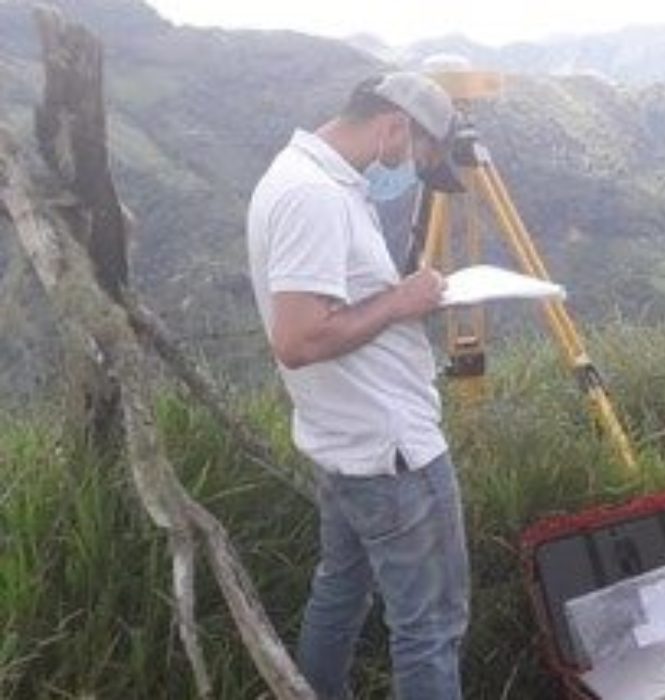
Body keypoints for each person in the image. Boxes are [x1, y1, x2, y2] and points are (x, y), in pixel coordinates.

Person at [246, 72, 469, 700]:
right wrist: (402, 300)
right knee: (431, 625)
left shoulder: (302, 178)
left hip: (344, 442)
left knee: (340, 592)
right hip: (390, 450)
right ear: (395, 125)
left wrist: (396, 298)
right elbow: (298, 340)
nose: (414, 170)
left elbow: (324, 311)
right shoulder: (315, 195)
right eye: (420, 154)